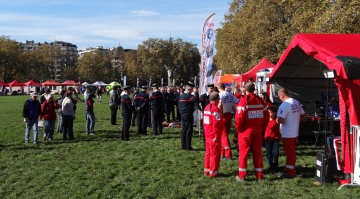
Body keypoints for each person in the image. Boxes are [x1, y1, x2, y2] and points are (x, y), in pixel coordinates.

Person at [235, 82, 267, 181]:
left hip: (245, 130)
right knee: (258, 152)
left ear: (245, 89)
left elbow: (239, 117)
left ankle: (242, 175)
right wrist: (262, 127)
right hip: (257, 129)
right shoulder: (260, 100)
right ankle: (259, 175)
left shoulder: (244, 100)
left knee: (244, 153)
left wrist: (238, 129)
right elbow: (266, 116)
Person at [276, 88, 307, 179]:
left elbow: (281, 119)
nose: (280, 99)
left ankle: (290, 171)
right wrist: (295, 120)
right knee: (292, 152)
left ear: (282, 95)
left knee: (290, 154)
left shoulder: (284, 105)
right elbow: (304, 116)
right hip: (294, 131)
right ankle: (292, 168)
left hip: (287, 132)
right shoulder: (296, 102)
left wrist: (276, 119)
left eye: (279, 97)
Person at [203, 92, 224, 178]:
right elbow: (216, 124)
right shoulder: (215, 109)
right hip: (213, 135)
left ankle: (207, 170)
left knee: (208, 153)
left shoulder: (207, 107)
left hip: (207, 134)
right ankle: (213, 172)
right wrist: (216, 135)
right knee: (214, 154)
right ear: (217, 99)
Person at [217, 82, 239, 160]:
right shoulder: (229, 94)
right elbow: (237, 101)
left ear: (218, 87)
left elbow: (219, 105)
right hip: (229, 115)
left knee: (223, 135)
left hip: (223, 116)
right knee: (224, 135)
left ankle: (228, 154)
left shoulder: (220, 95)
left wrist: (220, 113)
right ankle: (222, 153)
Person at [178, 81, 198, 150]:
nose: (193, 90)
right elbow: (196, 99)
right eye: (192, 89)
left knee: (184, 130)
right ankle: (188, 146)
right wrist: (196, 92)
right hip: (188, 114)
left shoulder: (182, 95)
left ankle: (183, 146)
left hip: (182, 114)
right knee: (189, 130)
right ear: (189, 89)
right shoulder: (187, 96)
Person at [264, 106, 281, 171]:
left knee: (276, 153)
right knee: (268, 153)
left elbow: (281, 127)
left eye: (270, 112)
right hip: (267, 138)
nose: (269, 114)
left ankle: (276, 164)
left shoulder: (277, 120)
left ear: (274, 113)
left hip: (275, 138)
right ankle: (270, 165)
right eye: (268, 112)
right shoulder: (265, 120)